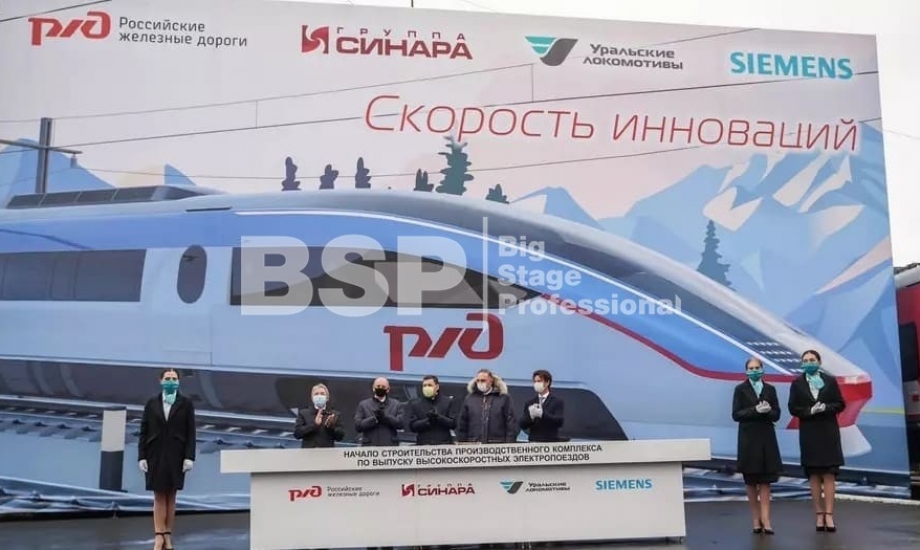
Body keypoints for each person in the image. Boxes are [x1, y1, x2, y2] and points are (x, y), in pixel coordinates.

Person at [788, 349, 846, 533]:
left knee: (828, 474)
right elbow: (793, 408)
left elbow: (840, 404)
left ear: (819, 362)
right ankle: (819, 514)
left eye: (812, 360)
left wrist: (825, 408)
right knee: (813, 474)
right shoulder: (797, 383)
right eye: (805, 360)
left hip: (828, 432)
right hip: (809, 433)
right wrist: (810, 411)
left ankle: (829, 514)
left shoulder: (830, 381)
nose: (809, 363)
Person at [138, 368, 196, 550]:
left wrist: (189, 457)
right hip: (155, 453)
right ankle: (159, 535)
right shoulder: (151, 403)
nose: (171, 381)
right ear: (161, 381)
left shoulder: (186, 404)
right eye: (168, 378)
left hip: (176, 454)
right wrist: (142, 456)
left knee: (171, 495)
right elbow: (143, 431)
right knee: (159, 495)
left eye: (174, 379)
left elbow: (191, 432)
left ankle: (168, 535)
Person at [731, 358, 782, 535]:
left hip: (766, 438)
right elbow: (736, 414)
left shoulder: (770, 389)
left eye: (757, 367)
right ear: (746, 371)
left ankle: (766, 519)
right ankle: (755, 519)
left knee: (766, 481)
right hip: (748, 439)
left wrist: (768, 411)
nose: (754, 370)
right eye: (751, 368)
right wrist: (755, 410)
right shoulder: (740, 389)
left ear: (762, 369)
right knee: (751, 481)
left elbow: (777, 414)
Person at [456, 369, 518, 443]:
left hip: (497, 444)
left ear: (491, 381)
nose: (480, 383)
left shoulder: (503, 398)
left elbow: (511, 423)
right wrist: (462, 443)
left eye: (483, 380)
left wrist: (509, 444)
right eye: (478, 381)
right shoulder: (469, 398)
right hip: (474, 444)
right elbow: (462, 423)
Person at [408, 375, 457, 445]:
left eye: (430, 385)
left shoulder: (448, 402)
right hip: (424, 445)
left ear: (437, 387)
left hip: (444, 445)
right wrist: (428, 421)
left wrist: (438, 417)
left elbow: (453, 424)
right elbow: (412, 427)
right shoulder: (416, 404)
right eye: (424, 386)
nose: (426, 388)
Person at [354, 377, 404, 447]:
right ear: (373, 388)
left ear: (388, 389)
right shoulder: (363, 404)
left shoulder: (396, 404)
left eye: (383, 387)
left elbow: (400, 424)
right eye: (378, 386)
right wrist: (374, 419)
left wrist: (385, 417)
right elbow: (358, 426)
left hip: (390, 446)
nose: (380, 388)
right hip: (370, 446)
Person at [293, 383, 345, 448]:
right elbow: (297, 434)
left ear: (327, 397)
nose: (319, 396)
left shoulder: (335, 414)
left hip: (327, 452)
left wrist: (331, 427)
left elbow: (340, 437)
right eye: (316, 394)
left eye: (322, 394)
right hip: (308, 452)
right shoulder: (303, 413)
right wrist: (314, 425)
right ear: (312, 398)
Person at [519, 369, 565, 442]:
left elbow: (559, 422)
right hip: (534, 442)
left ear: (547, 382)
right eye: (535, 381)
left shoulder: (557, 401)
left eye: (539, 381)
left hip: (550, 442)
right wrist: (530, 417)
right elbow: (523, 425)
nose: (536, 384)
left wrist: (542, 414)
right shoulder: (530, 402)